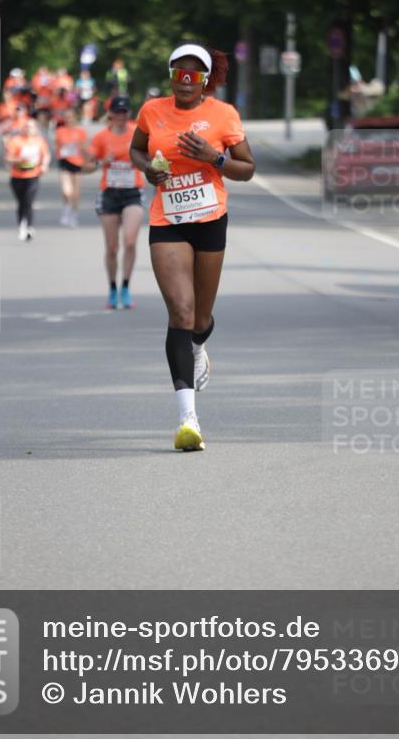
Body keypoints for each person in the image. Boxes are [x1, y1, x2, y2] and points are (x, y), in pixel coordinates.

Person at [129, 43, 255, 452]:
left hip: (210, 220)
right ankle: (188, 419)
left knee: (200, 318)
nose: (185, 81)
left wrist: (214, 158)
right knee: (180, 312)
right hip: (167, 220)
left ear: (205, 79)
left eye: (194, 74)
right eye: (179, 74)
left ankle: (199, 346)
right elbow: (136, 148)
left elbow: (247, 169)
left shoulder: (223, 114)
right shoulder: (152, 110)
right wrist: (148, 170)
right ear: (171, 76)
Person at [84, 95, 145, 309]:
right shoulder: (101, 137)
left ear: (129, 114)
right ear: (110, 114)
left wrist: (144, 162)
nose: (120, 116)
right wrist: (102, 162)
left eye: (124, 112)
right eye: (117, 112)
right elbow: (85, 167)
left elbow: (150, 156)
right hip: (109, 193)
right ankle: (112, 288)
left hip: (132, 192)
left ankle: (125, 287)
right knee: (112, 247)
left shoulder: (136, 134)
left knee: (130, 241)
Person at [4, 119, 50, 241]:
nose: (28, 129)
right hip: (17, 176)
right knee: (21, 202)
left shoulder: (39, 141)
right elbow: (8, 157)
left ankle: (29, 226)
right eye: (26, 127)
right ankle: (21, 224)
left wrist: (44, 165)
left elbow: (46, 155)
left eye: (31, 127)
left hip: (33, 175)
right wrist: (19, 159)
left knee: (29, 201)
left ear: (36, 129)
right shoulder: (16, 141)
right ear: (23, 128)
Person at [55, 107, 88, 227]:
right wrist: (61, 154)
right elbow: (57, 146)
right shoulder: (60, 131)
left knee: (76, 193)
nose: (68, 119)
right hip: (65, 162)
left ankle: (73, 215)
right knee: (66, 191)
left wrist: (85, 157)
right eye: (66, 117)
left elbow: (85, 147)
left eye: (70, 116)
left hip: (78, 163)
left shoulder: (80, 131)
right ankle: (66, 210)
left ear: (75, 117)